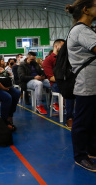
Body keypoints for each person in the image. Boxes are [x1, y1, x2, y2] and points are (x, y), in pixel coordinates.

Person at [66, 0, 96, 172]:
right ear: (86, 10)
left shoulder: (88, 30)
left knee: (93, 121)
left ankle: (91, 150)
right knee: (82, 122)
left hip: (92, 83)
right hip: (86, 83)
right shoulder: (81, 30)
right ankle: (80, 156)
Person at [43, 39, 75, 128]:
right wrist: (67, 79)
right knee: (69, 90)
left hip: (68, 81)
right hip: (56, 84)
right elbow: (52, 78)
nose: (65, 48)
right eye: (63, 46)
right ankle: (69, 118)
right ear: (56, 46)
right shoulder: (48, 60)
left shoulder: (68, 58)